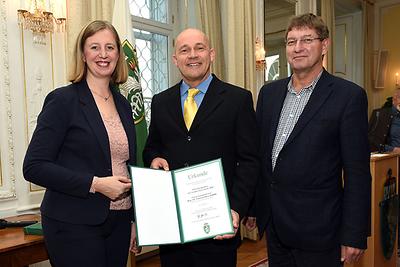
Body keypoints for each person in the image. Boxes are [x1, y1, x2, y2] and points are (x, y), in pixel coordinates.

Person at [253, 13, 371, 267]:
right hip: (275, 227)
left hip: (321, 232)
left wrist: (354, 234)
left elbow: (358, 173)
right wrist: (254, 206)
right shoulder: (268, 94)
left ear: (324, 45)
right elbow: (261, 157)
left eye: (307, 39)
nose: (298, 48)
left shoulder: (348, 96)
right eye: (291, 41)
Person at [23, 20, 140, 267]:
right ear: (83, 54)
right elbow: (33, 166)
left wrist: (133, 221)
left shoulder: (123, 105)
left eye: (110, 47)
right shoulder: (63, 101)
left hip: (120, 221)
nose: (103, 54)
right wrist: (95, 184)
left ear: (118, 54)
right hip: (73, 222)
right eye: (95, 47)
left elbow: (128, 165)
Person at [143, 28, 259, 267]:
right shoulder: (160, 102)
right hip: (173, 227)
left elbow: (249, 160)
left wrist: (236, 209)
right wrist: (154, 158)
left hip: (217, 228)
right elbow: (152, 147)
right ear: (175, 59)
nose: (192, 55)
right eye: (184, 50)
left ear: (211, 54)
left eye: (199, 48)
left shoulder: (238, 99)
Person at [368, 88, 400, 152]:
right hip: (389, 156)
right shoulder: (381, 115)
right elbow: (372, 139)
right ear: (394, 99)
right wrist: (393, 149)